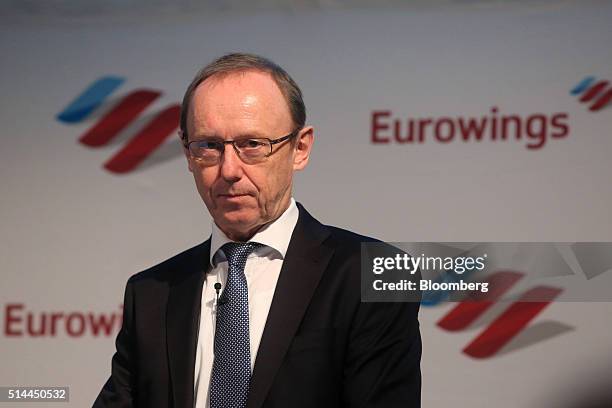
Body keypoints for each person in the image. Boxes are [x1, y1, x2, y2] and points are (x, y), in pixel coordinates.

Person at [94, 53, 421, 408]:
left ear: (300, 147)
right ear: (188, 155)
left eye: (252, 145)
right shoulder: (151, 293)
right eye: (209, 146)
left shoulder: (370, 274)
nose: (229, 169)